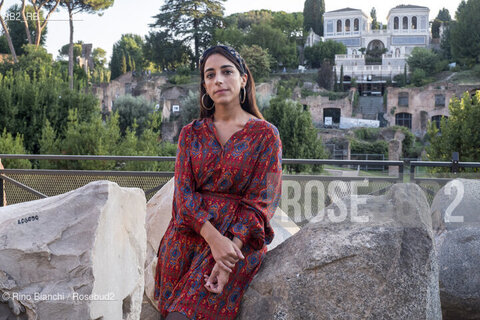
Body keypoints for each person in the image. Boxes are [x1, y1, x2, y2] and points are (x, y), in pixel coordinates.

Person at [154, 45, 282, 320]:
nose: (218, 80)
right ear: (205, 85)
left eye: (227, 72)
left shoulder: (266, 136)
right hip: (189, 237)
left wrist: (227, 255)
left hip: (239, 240)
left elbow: (262, 201)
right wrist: (212, 238)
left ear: (244, 78)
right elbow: (184, 196)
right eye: (210, 75)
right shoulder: (191, 133)